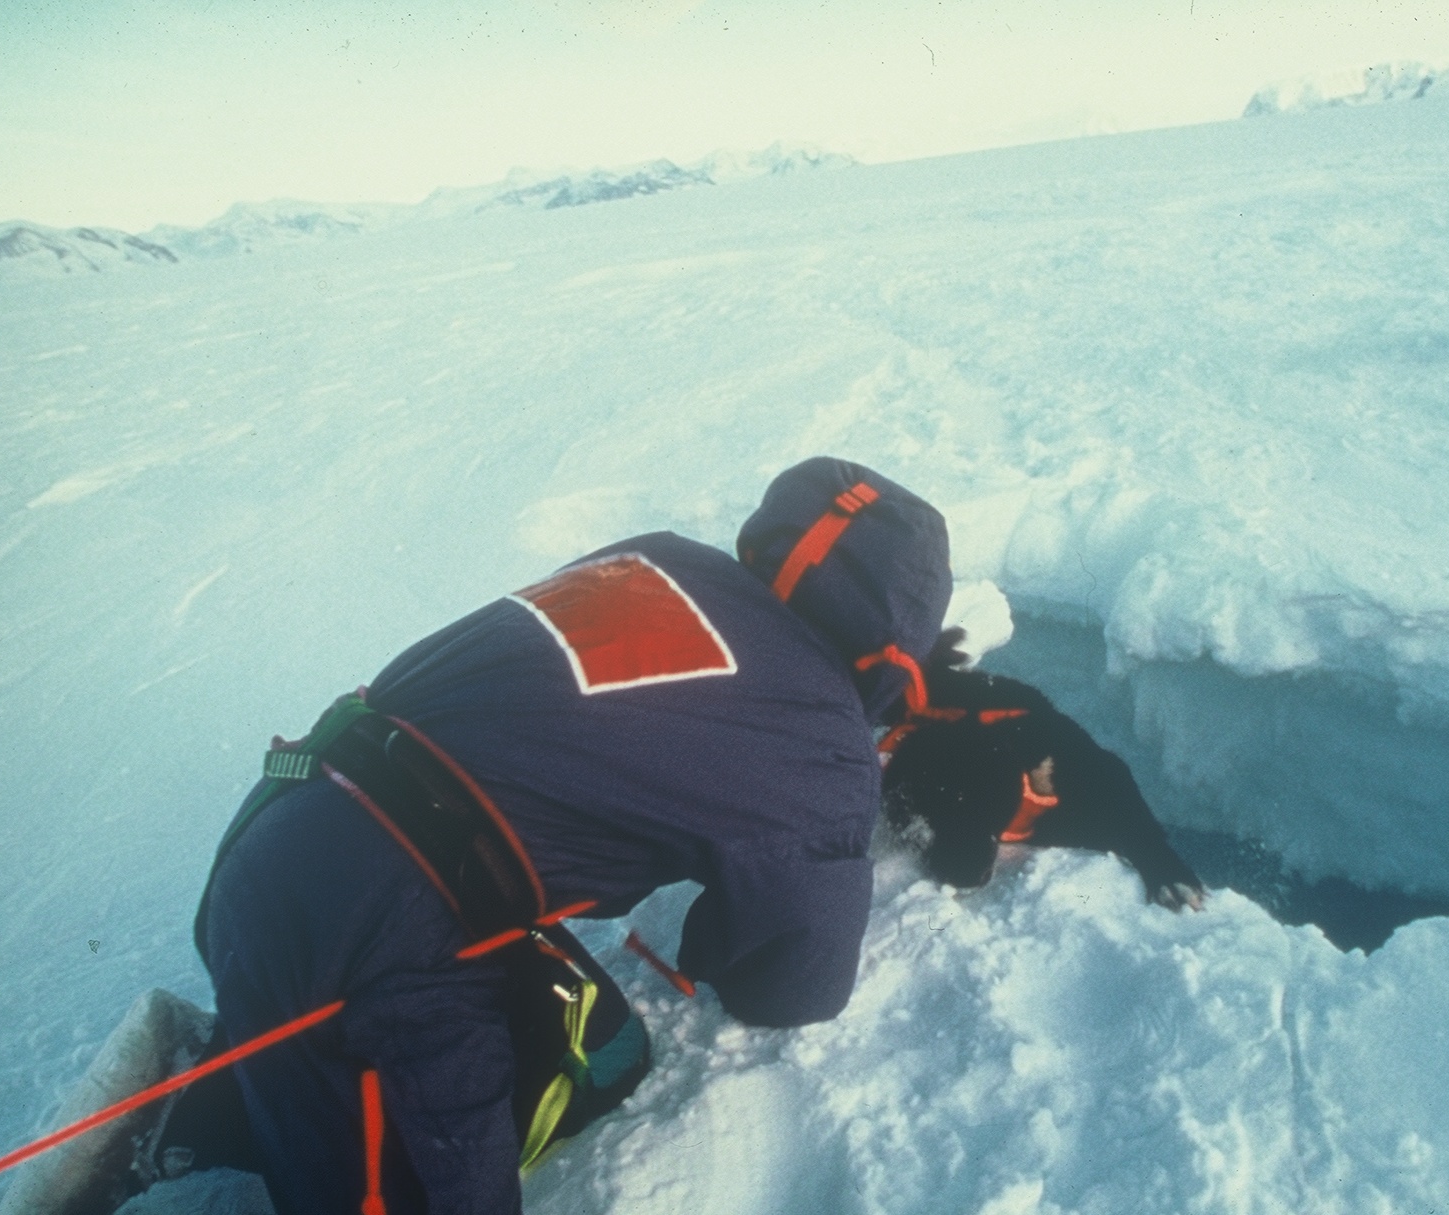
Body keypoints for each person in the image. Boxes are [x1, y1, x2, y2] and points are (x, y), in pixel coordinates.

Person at [195, 456, 952, 1214]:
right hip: (379, 934)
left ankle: (232, 1087)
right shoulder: (825, 746)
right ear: (897, 644)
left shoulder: (659, 556)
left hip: (279, 812)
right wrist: (723, 931)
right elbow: (797, 984)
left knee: (612, 1050)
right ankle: (265, 1090)